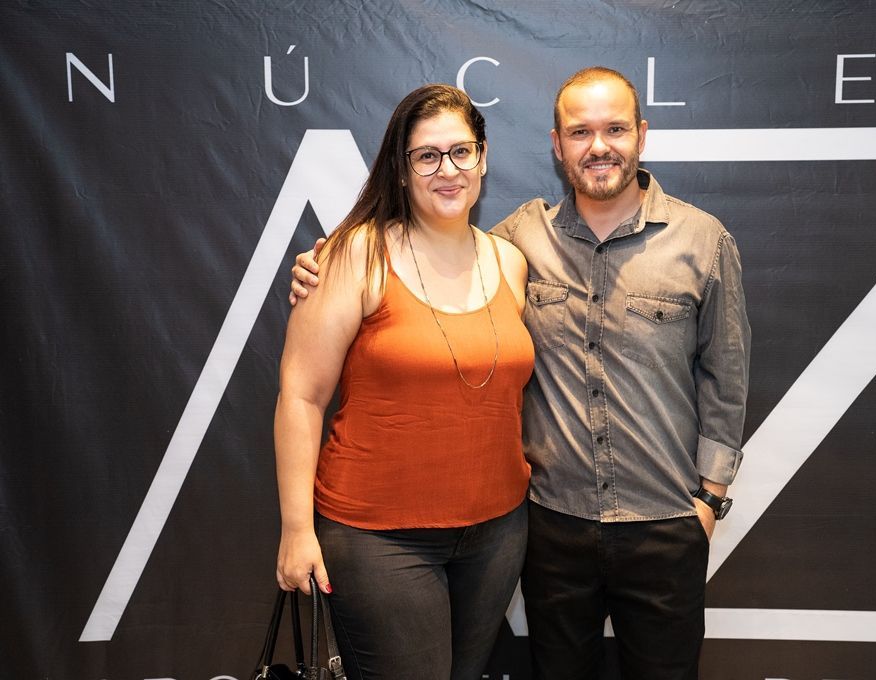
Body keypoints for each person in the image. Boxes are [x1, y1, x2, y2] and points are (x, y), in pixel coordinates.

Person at [291, 67, 750, 680]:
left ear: (641, 135)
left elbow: (727, 377)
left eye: (615, 129)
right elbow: (416, 257)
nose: (599, 146)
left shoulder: (701, 241)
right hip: (549, 525)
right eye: (579, 132)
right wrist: (323, 262)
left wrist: (708, 502)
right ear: (556, 145)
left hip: (661, 520)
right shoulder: (516, 243)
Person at [274, 83, 534, 680]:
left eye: (461, 151)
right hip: (377, 540)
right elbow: (301, 396)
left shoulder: (510, 261)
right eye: (427, 155)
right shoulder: (352, 256)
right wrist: (295, 530)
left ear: (484, 157)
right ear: (402, 166)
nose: (448, 170)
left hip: (497, 535)